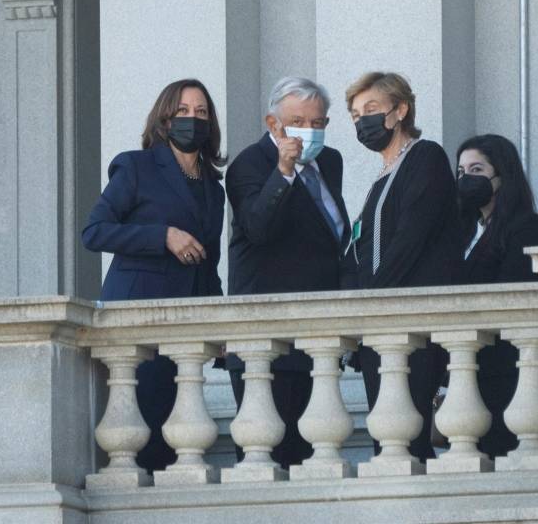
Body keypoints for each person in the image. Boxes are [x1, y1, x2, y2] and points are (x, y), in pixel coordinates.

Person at [81, 79, 226, 472]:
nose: (192, 119)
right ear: (164, 119)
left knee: (176, 435)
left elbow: (207, 263)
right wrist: (163, 236)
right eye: (183, 112)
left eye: (201, 112)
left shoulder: (215, 188)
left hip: (186, 329)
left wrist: (222, 324)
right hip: (138, 320)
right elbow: (94, 232)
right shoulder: (137, 166)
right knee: (141, 434)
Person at [225, 76, 350, 469]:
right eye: (299, 121)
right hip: (265, 333)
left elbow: (331, 237)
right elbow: (258, 229)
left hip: (317, 333)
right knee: (266, 455)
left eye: (318, 123)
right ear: (274, 124)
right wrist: (284, 170)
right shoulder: (249, 163)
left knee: (313, 454)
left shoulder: (330, 162)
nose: (309, 131)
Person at [344, 71, 462, 463]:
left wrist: (371, 301)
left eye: (372, 110)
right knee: (386, 440)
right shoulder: (380, 178)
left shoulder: (425, 157)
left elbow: (411, 238)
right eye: (356, 114)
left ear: (400, 111)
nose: (363, 121)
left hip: (412, 324)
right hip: (379, 329)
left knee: (409, 436)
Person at [455, 133, 538, 458]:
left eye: (476, 170)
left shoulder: (526, 225)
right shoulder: (466, 230)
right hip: (474, 366)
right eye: (460, 172)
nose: (465, 179)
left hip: (512, 368)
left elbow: (516, 291)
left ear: (501, 175)